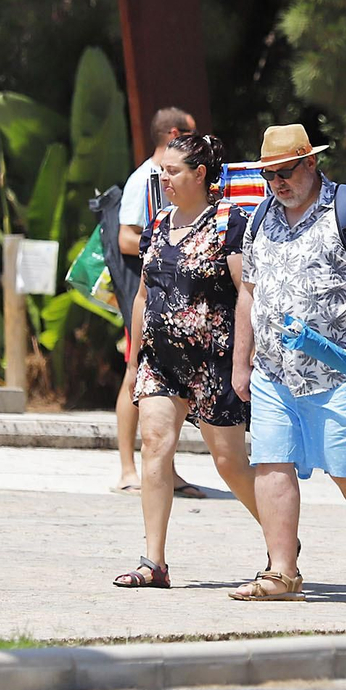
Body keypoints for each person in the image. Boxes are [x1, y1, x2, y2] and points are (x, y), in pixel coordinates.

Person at [228, 124, 346, 601]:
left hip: (342, 370)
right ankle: (282, 572)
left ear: (311, 162)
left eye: (285, 172)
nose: (277, 183)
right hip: (274, 371)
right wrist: (241, 362)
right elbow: (248, 293)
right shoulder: (261, 216)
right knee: (270, 463)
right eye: (269, 175)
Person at [112, 133, 259, 588]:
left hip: (214, 361)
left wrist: (245, 359)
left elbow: (247, 294)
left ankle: (281, 538)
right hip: (160, 360)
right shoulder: (158, 222)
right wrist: (134, 361)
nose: (164, 178)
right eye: (162, 171)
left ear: (200, 174)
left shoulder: (229, 223)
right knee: (155, 445)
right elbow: (143, 295)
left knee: (228, 462)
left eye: (173, 171)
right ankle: (153, 562)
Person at [112, 106, 200, 498]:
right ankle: (127, 469)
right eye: (191, 135)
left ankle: (167, 469)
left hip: (172, 294)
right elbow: (125, 238)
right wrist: (165, 244)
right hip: (144, 293)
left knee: (167, 380)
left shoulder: (175, 179)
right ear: (175, 135)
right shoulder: (144, 179)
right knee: (134, 373)